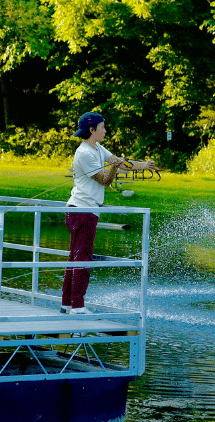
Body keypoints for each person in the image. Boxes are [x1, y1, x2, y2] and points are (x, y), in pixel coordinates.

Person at [62, 112, 155, 313]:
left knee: (75, 257)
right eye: (102, 127)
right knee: (83, 258)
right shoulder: (84, 153)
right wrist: (113, 168)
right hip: (82, 212)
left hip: (84, 211)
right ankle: (77, 306)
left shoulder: (97, 148)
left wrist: (143, 166)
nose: (105, 130)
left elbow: (120, 162)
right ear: (92, 130)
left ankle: (67, 303)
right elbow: (105, 179)